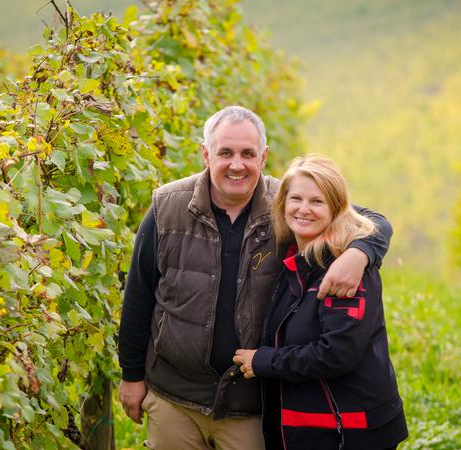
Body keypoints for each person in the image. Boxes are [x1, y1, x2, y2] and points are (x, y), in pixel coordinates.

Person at [118, 106, 393, 450]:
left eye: (248, 153)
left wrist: (361, 251)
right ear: (206, 154)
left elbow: (364, 217)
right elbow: (139, 297)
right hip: (175, 399)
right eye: (225, 153)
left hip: (251, 404)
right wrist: (131, 376)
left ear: (263, 157)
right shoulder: (167, 208)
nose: (237, 164)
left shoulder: (288, 205)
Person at [233, 155, 407, 450]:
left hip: (349, 432)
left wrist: (263, 361)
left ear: (336, 209)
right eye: (296, 198)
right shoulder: (294, 259)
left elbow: (337, 354)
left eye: (317, 201)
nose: (303, 209)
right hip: (313, 428)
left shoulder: (345, 271)